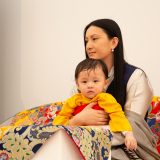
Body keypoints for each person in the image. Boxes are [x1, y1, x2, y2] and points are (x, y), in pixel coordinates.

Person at [68, 19, 160, 160]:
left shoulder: (135, 77)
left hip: (127, 149)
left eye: (94, 39)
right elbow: (66, 122)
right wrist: (78, 120)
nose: (88, 46)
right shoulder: (81, 82)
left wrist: (89, 131)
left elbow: (133, 127)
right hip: (86, 145)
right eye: (86, 41)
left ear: (114, 42)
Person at [53, 58, 137, 151]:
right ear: (77, 85)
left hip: (100, 140)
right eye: (84, 82)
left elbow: (117, 115)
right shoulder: (74, 100)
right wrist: (75, 121)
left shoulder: (106, 99)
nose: (90, 85)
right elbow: (60, 119)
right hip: (77, 140)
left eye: (95, 81)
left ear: (105, 83)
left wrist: (128, 134)